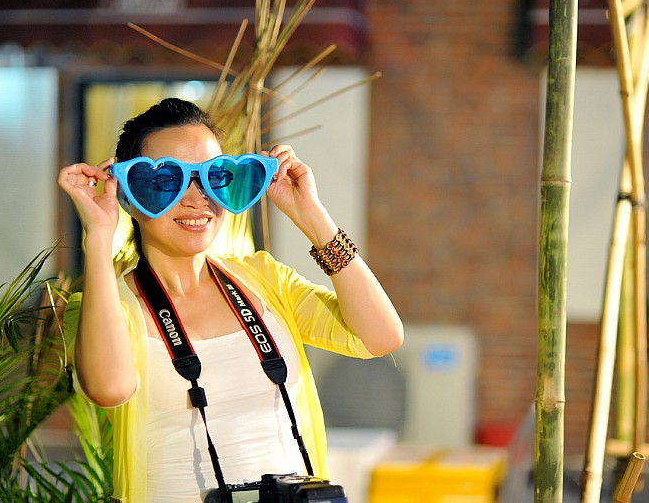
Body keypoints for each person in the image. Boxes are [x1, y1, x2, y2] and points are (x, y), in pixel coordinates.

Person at [58, 97, 403, 502]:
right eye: (167, 180)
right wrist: (98, 237)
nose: (197, 198)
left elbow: (381, 336)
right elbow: (110, 389)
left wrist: (311, 214)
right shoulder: (104, 306)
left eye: (213, 177)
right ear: (130, 194)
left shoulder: (264, 279)